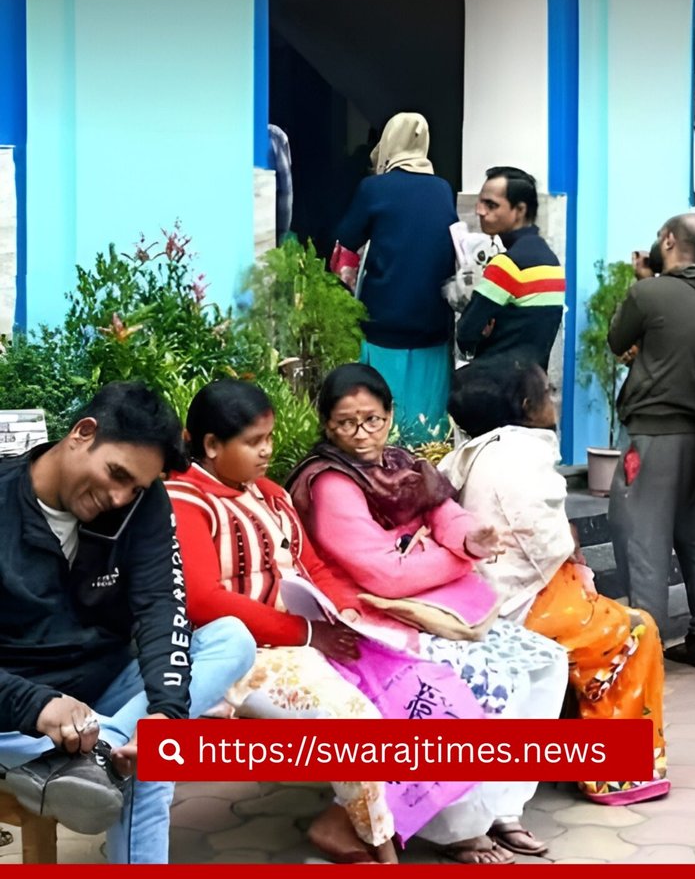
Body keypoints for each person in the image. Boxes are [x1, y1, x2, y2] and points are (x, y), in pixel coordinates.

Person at [287, 364, 568, 863]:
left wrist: (470, 535)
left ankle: (501, 809)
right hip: (370, 622)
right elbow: (384, 575)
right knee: (487, 681)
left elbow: (443, 513)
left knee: (546, 663)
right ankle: (456, 829)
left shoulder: (402, 464)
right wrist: (460, 557)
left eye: (372, 419)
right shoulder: (330, 481)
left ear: (390, 415)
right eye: (346, 423)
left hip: (431, 608)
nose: (361, 434)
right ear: (327, 424)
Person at [0, 382, 255, 863]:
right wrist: (37, 705)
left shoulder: (143, 502)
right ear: (82, 432)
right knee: (150, 761)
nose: (119, 497)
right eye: (116, 473)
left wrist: (165, 713)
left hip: (104, 692)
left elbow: (161, 605)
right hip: (17, 714)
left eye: (134, 486)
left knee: (231, 640)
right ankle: (103, 755)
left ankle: (102, 754)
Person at [165, 380, 401, 863]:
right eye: (254, 441)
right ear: (211, 445)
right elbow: (204, 601)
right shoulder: (185, 499)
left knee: (408, 677)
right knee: (355, 722)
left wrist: (345, 610)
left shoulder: (271, 495)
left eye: (269, 437)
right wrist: (309, 634)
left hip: (302, 642)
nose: (268, 450)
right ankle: (382, 850)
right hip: (239, 657)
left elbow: (312, 567)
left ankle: (385, 821)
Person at [441, 356, 671, 806]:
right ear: (526, 407)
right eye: (546, 393)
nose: (553, 401)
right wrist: (573, 555)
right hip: (520, 602)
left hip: (492, 596)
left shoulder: (478, 451)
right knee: (635, 630)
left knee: (608, 614)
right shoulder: (519, 454)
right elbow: (545, 542)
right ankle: (615, 772)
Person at [607, 213, 695, 667]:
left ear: (669, 240)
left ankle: (648, 646)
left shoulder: (649, 293)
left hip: (654, 431)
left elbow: (617, 338)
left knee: (640, 532)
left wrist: (644, 282)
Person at [333, 112, 461, 445]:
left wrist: (344, 301)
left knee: (380, 422)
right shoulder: (442, 189)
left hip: (382, 320)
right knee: (426, 428)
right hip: (432, 322)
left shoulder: (374, 188)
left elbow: (345, 245)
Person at [456, 166, 566, 371]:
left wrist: (482, 332)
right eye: (480, 202)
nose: (480, 211)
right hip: (533, 383)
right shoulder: (551, 261)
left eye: (491, 205)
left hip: (496, 382)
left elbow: (465, 334)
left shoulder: (507, 265)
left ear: (520, 210)